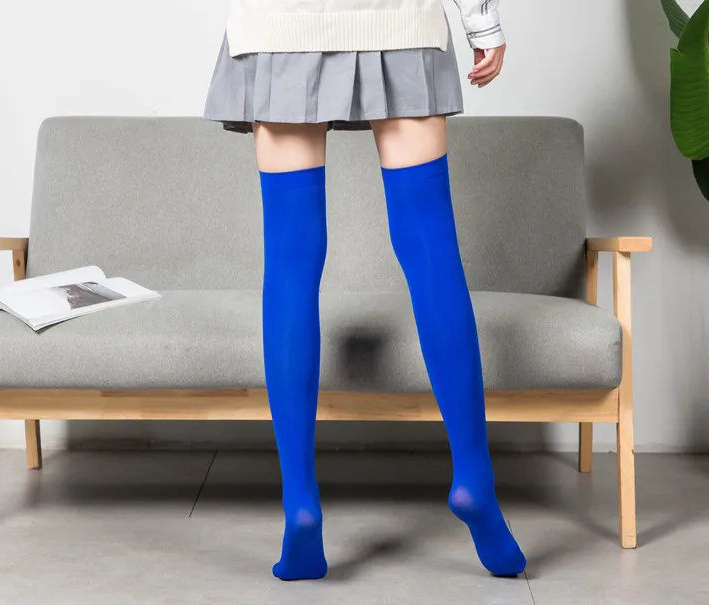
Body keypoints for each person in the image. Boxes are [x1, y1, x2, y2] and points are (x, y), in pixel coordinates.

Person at [204, 0, 526, 582]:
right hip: (399, 22)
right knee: (432, 254)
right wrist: (484, 21)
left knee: (290, 265)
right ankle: (475, 481)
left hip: (281, 29)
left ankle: (300, 502)